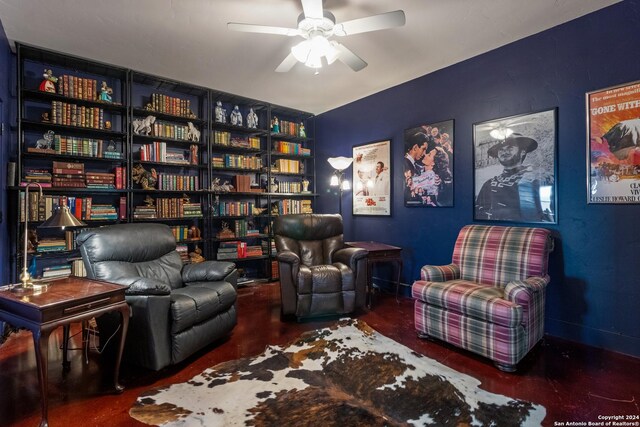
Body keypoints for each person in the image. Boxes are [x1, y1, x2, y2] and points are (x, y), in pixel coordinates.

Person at [475, 133, 553, 222]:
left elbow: (549, 214)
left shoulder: (539, 179)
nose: (504, 152)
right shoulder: (488, 185)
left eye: (510, 148)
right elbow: (479, 213)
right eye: (501, 149)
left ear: (523, 152)